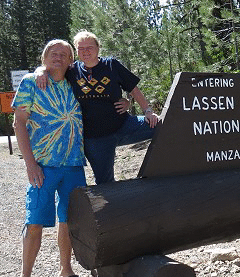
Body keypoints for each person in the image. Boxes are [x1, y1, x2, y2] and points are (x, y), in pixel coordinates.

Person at [10, 39, 87, 277]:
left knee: (68, 218)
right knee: (35, 220)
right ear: (44, 58)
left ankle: (66, 271)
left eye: (64, 54)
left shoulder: (76, 83)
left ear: (70, 61)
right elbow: (19, 123)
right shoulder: (32, 82)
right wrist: (30, 164)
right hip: (43, 165)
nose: (59, 57)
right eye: (53, 54)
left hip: (74, 163)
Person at [37, 30, 159, 184]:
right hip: (95, 139)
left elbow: (133, 89)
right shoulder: (72, 71)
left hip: (125, 125)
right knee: (105, 183)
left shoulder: (111, 65)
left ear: (98, 48)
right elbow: (51, 70)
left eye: (90, 47)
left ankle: (166, 176)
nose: (85, 51)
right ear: (76, 51)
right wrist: (40, 71)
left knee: (164, 126)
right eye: (81, 48)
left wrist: (147, 111)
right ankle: (115, 207)